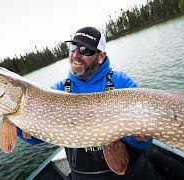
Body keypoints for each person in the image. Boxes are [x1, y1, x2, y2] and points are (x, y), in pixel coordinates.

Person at [17, 27, 158, 180]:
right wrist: (19, 121)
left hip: (132, 174)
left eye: (85, 50)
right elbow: (36, 137)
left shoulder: (121, 82)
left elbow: (144, 143)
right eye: (73, 47)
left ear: (101, 57)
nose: (76, 54)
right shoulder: (58, 91)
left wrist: (138, 138)